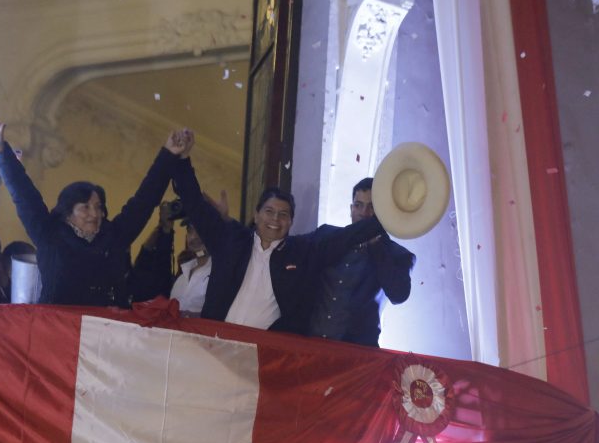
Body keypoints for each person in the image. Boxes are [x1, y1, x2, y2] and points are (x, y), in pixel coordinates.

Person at [169, 129, 385, 334]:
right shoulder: (231, 239)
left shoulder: (301, 251)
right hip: (212, 343)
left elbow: (345, 237)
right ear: (256, 215)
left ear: (291, 221)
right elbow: (195, 205)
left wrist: (390, 215)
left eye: (283, 214)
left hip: (261, 357)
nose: (275, 219)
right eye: (269, 211)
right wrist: (181, 159)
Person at [0, 113, 189, 307]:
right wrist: (0, 152)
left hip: (105, 335)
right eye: (85, 207)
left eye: (99, 207)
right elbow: (24, 195)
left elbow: (144, 201)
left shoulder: (114, 236)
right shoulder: (49, 234)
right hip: (57, 332)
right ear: (67, 213)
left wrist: (168, 156)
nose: (94, 213)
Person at [307, 177, 415, 346]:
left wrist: (377, 245)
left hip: (356, 355)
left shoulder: (397, 254)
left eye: (372, 207)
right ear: (351, 208)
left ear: (382, 212)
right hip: (309, 345)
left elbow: (399, 294)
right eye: (359, 205)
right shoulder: (327, 235)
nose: (364, 213)